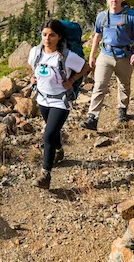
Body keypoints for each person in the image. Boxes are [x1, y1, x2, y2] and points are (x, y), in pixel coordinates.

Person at [28, 20, 88, 189]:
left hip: (61, 101)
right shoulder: (35, 52)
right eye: (44, 34)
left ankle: (45, 175)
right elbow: (33, 68)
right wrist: (33, 78)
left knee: (47, 135)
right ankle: (59, 150)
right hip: (42, 99)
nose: (47, 38)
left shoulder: (67, 56)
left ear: (59, 37)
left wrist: (72, 80)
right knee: (52, 131)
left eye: (52, 35)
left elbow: (86, 66)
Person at [80, 0, 134, 131]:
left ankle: (122, 111)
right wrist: (92, 55)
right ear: (107, 0)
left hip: (125, 56)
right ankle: (92, 117)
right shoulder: (101, 16)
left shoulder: (132, 15)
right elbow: (97, 36)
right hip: (105, 55)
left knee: (124, 84)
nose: (114, 0)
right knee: (99, 86)